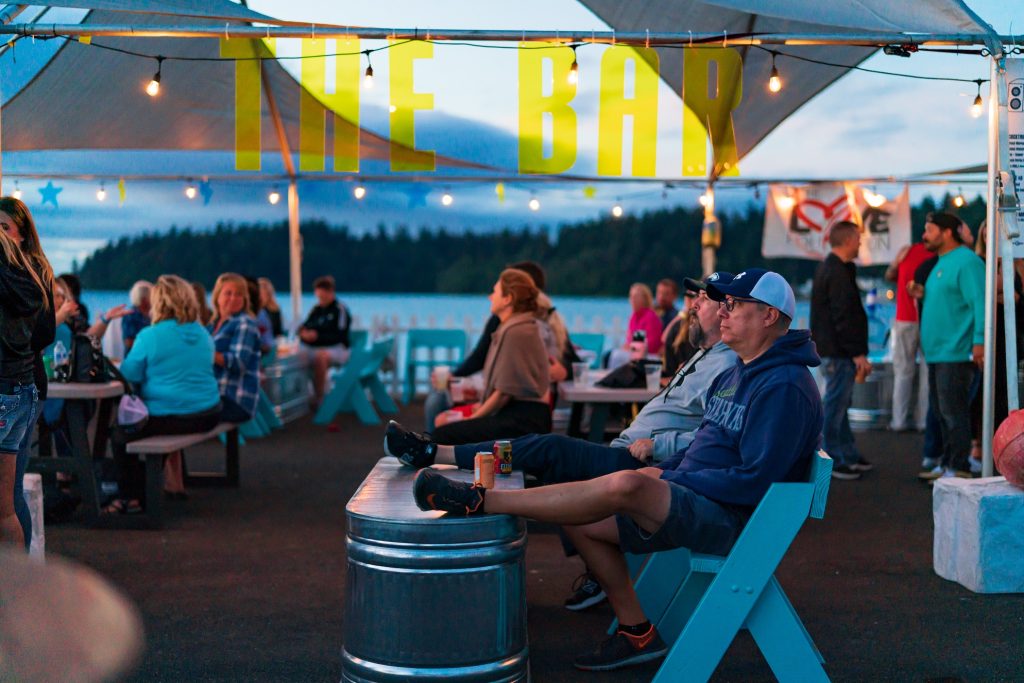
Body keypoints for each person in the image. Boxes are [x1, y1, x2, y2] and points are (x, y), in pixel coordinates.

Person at [409, 268, 822, 671]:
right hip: (699, 496)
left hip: (733, 518)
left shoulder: (783, 387)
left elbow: (756, 481)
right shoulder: (739, 372)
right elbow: (701, 447)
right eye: (725, 302)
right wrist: (670, 471)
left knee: (622, 483)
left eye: (735, 303)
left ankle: (484, 501)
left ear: (769, 316)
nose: (723, 310)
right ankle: (636, 631)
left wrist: (668, 476)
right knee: (581, 517)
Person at [385, 272, 738, 610]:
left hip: (645, 470)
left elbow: (717, 438)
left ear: (726, 313)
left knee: (548, 448)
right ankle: (597, 570)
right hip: (626, 455)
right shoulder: (704, 356)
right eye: (697, 298)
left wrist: (659, 445)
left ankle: (436, 454)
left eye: (703, 300)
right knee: (547, 463)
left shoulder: (726, 366)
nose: (692, 305)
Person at [106, 275, 222, 514]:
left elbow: (129, 375)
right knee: (144, 430)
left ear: (158, 302)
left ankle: (131, 497)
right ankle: (148, 488)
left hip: (173, 416)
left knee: (119, 433)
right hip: (209, 413)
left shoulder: (150, 336)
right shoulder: (202, 333)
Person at [426, 268, 551, 444]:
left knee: (443, 435)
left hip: (523, 420)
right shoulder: (514, 327)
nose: (490, 297)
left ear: (508, 299)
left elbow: (503, 394)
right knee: (445, 426)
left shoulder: (516, 332)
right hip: (516, 413)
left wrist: (471, 419)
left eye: (495, 292)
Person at [0, 197, 54, 549]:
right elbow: (45, 335)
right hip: (24, 384)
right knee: (9, 495)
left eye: (4, 228)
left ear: (21, 234)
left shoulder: (14, 275)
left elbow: (43, 335)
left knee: (6, 501)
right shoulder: (35, 276)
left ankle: (18, 585)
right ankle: (24, 580)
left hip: (12, 384)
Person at [916, 212, 985, 482]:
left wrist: (979, 341)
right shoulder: (941, 263)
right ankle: (947, 464)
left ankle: (959, 467)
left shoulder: (967, 262)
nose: (925, 235)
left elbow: (980, 303)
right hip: (937, 352)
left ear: (947, 232)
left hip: (956, 353)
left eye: (930, 229)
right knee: (942, 414)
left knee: (953, 413)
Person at [810, 221, 872, 480]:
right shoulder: (836, 272)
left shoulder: (836, 269)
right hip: (839, 352)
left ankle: (846, 453)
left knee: (840, 404)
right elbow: (843, 316)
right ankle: (831, 458)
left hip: (833, 350)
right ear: (847, 240)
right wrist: (856, 352)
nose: (860, 243)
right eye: (858, 238)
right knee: (835, 406)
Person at [885, 239, 933, 432]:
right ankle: (922, 422)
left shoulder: (906, 252)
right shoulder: (937, 256)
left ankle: (899, 421)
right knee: (927, 374)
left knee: (904, 372)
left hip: (908, 318)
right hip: (925, 319)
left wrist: (895, 264)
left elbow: (889, 276)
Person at [209, 273, 263, 424]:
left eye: (239, 294)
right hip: (214, 396)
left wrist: (206, 353)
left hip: (234, 399)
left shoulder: (245, 323)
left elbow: (238, 363)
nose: (233, 298)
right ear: (217, 297)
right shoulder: (211, 326)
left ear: (245, 299)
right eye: (228, 293)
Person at [298, 275, 352, 407]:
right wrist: (304, 334)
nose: (320, 300)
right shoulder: (316, 310)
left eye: (322, 297)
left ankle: (320, 398)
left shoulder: (340, 309)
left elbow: (340, 335)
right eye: (318, 297)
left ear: (330, 292)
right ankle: (301, 396)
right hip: (316, 347)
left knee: (320, 357)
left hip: (338, 348)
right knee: (299, 356)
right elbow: (303, 327)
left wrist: (317, 337)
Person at [661, 286, 699, 377]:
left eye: (694, 296)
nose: (690, 300)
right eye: (688, 296)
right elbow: (664, 338)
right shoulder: (678, 326)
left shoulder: (701, 328)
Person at [624, 283, 663, 356]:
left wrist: (632, 347)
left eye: (635, 297)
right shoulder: (634, 317)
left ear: (644, 299)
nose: (632, 300)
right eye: (631, 296)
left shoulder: (650, 317)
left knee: (615, 356)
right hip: (637, 353)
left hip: (649, 356)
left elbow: (652, 344)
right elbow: (630, 340)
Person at [121, 280, 152, 351]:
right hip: (136, 355)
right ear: (144, 299)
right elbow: (129, 342)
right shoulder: (130, 315)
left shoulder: (153, 314)